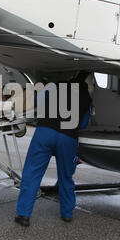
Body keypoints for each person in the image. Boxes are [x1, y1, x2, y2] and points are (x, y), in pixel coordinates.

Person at [15, 71, 93, 226]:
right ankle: (67, 214)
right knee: (65, 176)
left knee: (33, 171)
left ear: (73, 76)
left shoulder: (57, 85)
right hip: (68, 138)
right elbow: (83, 124)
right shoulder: (87, 99)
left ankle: (23, 215)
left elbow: (38, 101)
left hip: (46, 132)